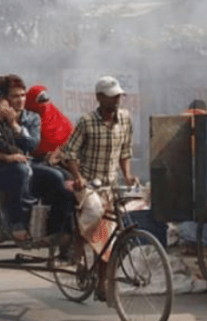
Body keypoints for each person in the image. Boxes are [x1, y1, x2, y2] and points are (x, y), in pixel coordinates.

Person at [59, 75, 140, 300]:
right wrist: (77, 176)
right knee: (94, 211)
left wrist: (128, 175)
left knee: (109, 239)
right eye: (112, 96)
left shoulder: (125, 119)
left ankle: (102, 285)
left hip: (110, 185)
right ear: (99, 97)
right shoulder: (86, 121)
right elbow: (69, 153)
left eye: (118, 96)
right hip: (88, 184)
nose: (117, 100)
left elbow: (125, 151)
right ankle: (78, 244)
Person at [0, 76, 41, 241]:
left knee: (57, 177)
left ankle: (61, 234)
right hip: (0, 167)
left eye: (23, 95)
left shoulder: (32, 118)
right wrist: (7, 157)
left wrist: (14, 125)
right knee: (20, 172)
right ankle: (17, 223)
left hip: (26, 162)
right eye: (15, 96)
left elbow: (32, 144)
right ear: (6, 99)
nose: (20, 100)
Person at [24, 85, 76, 249]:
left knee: (74, 183)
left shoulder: (56, 116)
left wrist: (58, 153)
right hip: (32, 162)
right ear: (32, 103)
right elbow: (25, 146)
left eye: (46, 98)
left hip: (58, 160)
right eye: (40, 100)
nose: (45, 103)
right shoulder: (27, 119)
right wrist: (46, 156)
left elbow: (70, 140)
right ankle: (57, 231)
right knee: (60, 179)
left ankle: (69, 234)